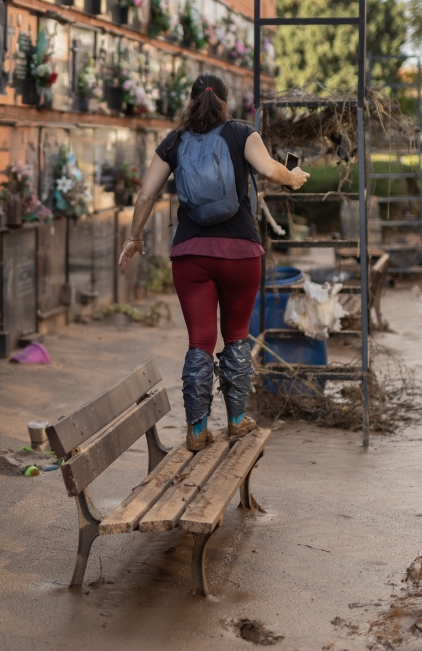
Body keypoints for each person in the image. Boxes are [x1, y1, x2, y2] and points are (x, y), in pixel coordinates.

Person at [119, 74, 309, 451]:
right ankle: (237, 421)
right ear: (225, 103)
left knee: (199, 342)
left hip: (191, 254)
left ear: (191, 102)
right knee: (237, 335)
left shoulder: (173, 141)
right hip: (241, 253)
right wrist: (294, 177)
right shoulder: (242, 133)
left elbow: (145, 195)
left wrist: (133, 237)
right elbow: (272, 171)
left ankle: (196, 429)